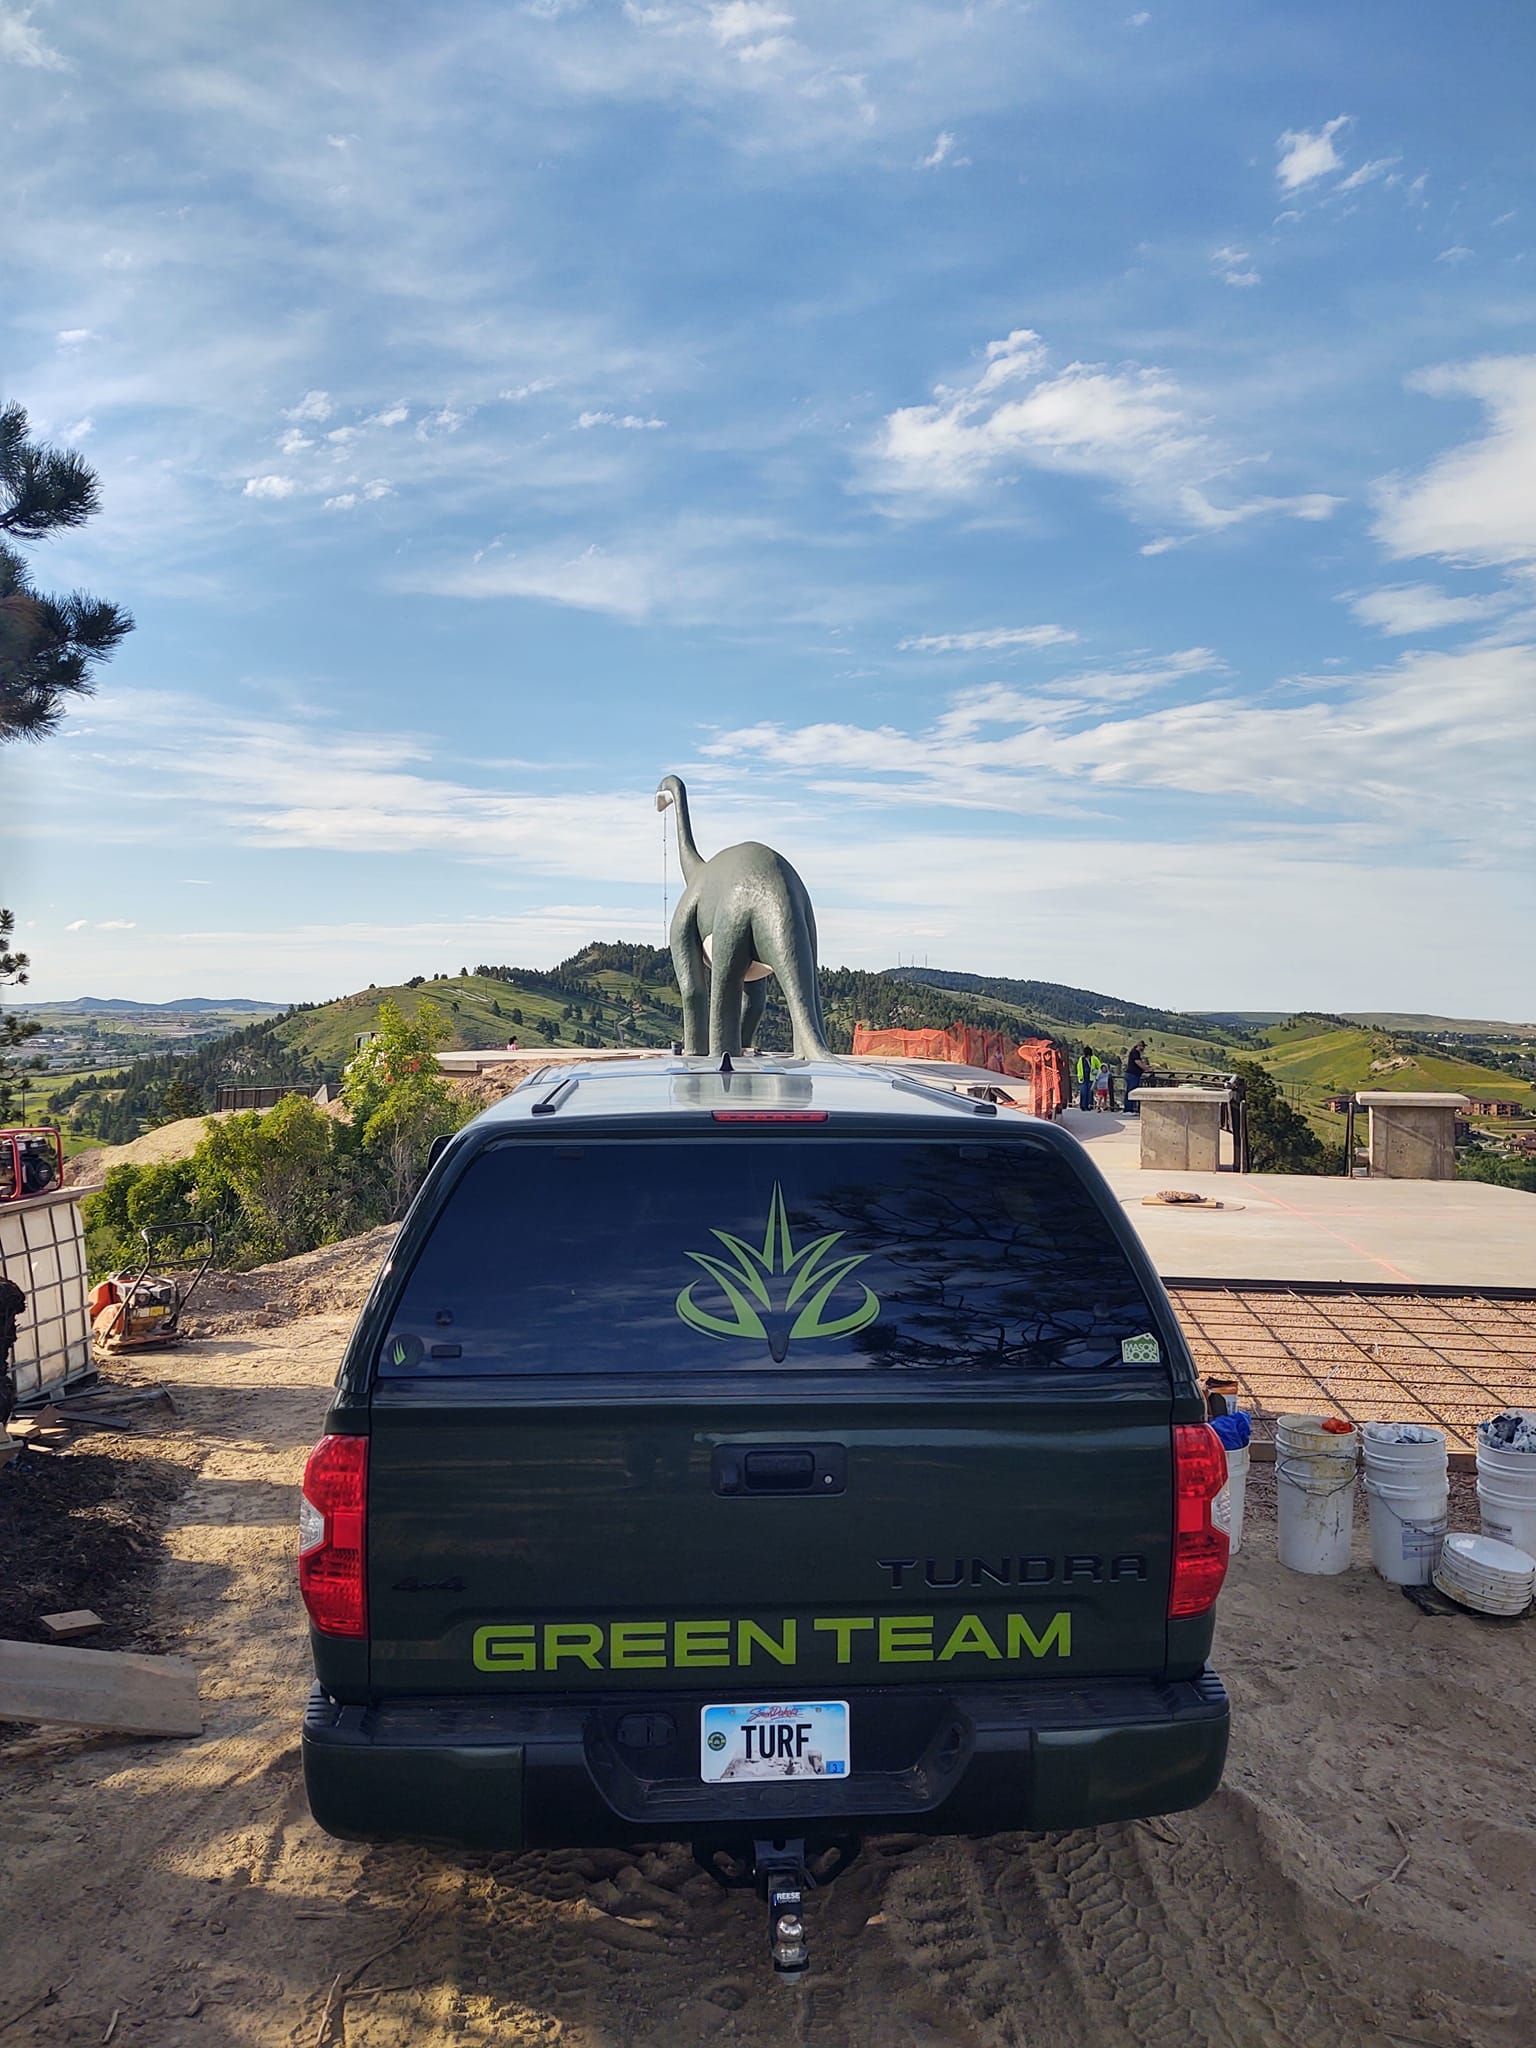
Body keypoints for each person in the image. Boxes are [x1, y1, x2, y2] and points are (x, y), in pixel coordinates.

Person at [1124, 1041, 1147, 1114]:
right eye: (1143, 1047)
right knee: (1131, 1091)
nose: (1143, 1048)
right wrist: (1146, 1068)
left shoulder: (1134, 1052)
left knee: (1131, 1091)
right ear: (1139, 1046)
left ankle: (1131, 1108)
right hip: (1132, 1075)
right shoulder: (1135, 1052)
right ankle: (1128, 1109)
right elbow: (1138, 1062)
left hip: (1132, 1074)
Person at [1076, 1046, 1094, 1112]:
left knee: (1087, 1092)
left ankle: (1086, 1106)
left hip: (1088, 1078)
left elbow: (1078, 1068)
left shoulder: (1082, 1059)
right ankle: (1086, 1106)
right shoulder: (1083, 1059)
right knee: (1086, 1092)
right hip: (1085, 1078)